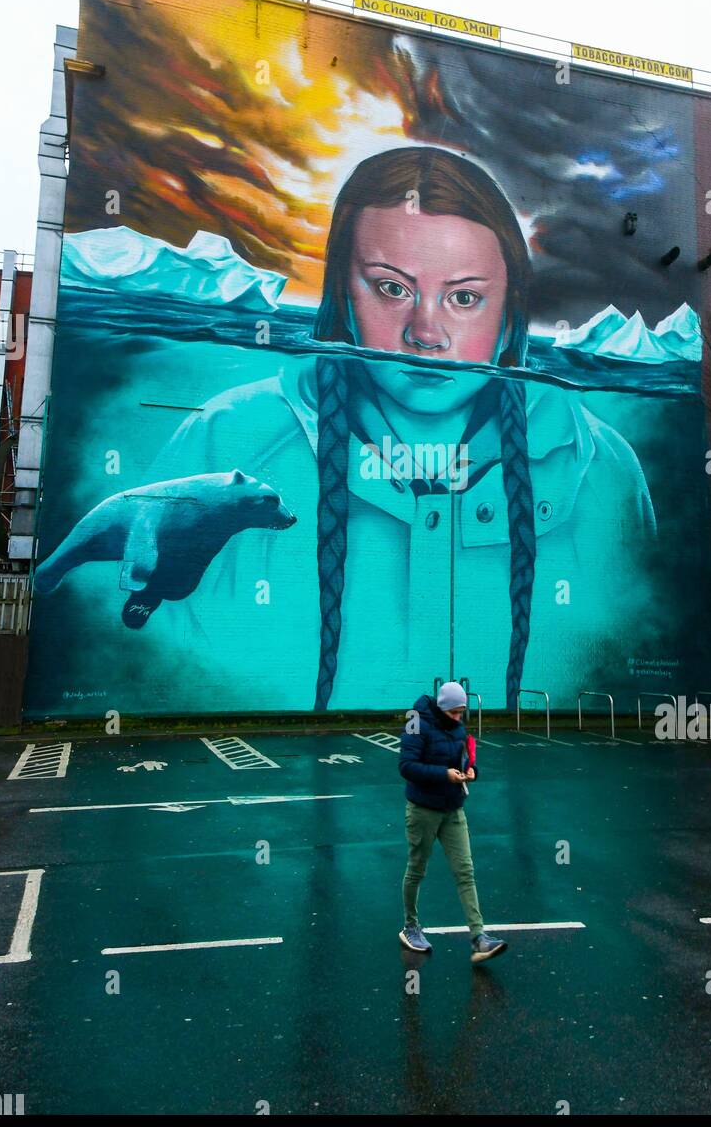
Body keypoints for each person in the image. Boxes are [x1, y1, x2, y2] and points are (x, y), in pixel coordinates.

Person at [34, 146, 655, 714]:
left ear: (509, 307)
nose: (426, 333)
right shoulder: (225, 437)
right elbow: (127, 647)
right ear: (341, 291)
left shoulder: (602, 467)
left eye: (464, 298)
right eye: (391, 288)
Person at [398, 680, 507, 963]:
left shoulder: (457, 727)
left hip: (453, 808)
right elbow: (406, 766)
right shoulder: (416, 722)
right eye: (455, 712)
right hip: (423, 809)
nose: (459, 718)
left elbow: (465, 758)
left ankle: (479, 938)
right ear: (443, 707)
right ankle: (411, 926)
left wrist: (471, 771)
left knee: (465, 871)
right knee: (417, 870)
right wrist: (442, 774)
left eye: (462, 713)